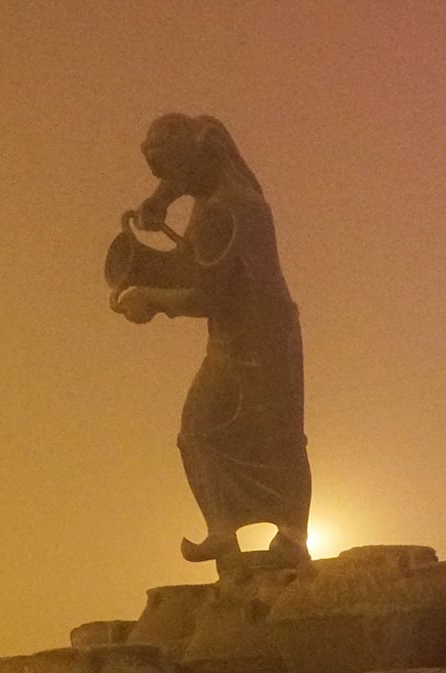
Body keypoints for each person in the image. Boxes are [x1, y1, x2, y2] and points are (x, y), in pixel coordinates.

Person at [111, 113, 311, 564]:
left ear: (196, 160)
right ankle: (224, 527)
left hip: (264, 337)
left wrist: (153, 300)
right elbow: (193, 261)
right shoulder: (211, 202)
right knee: (204, 430)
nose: (168, 183)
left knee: (272, 434)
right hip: (236, 335)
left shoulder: (230, 207)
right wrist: (158, 203)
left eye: (171, 173)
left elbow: (207, 292)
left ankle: (290, 537)